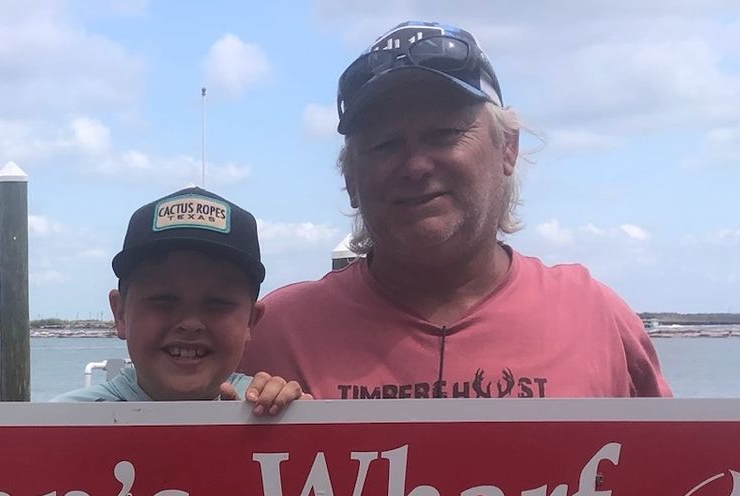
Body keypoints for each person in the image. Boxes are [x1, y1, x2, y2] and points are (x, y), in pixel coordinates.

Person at [240, 21, 668, 402]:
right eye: (384, 145)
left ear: (508, 149)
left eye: (444, 134)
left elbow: (675, 482)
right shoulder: (273, 336)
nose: (416, 166)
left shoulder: (598, 322)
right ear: (350, 179)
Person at [55, 186, 301, 413]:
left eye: (217, 303)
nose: (190, 322)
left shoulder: (273, 411)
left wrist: (298, 426)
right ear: (120, 313)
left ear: (251, 321)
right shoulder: (59, 421)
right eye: (163, 300)